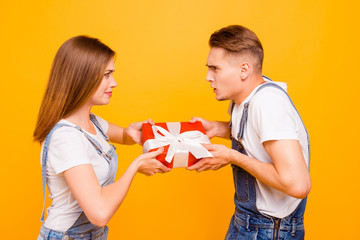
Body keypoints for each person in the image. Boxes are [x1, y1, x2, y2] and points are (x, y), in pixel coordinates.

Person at [34, 35, 171, 240]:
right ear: (82, 77)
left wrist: (131, 133)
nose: (114, 83)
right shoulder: (66, 138)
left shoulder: (93, 122)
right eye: (107, 75)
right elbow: (99, 214)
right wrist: (135, 167)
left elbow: (123, 135)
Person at [188, 25, 311, 239]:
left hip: (269, 230)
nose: (208, 76)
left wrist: (232, 156)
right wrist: (217, 128)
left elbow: (298, 184)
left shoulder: (268, 104)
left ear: (244, 70)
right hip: (245, 221)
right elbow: (256, 135)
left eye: (215, 68)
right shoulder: (243, 99)